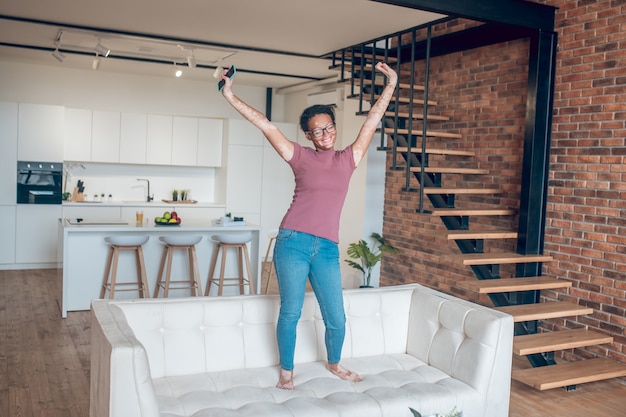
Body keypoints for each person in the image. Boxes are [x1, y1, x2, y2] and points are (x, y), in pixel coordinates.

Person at [220, 62, 398, 390]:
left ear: (334, 127)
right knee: (291, 311)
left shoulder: (349, 158)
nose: (324, 134)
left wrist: (392, 82)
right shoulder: (300, 155)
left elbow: (373, 119)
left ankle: (334, 364)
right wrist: (229, 94)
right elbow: (265, 124)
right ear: (308, 135)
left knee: (336, 316)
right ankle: (286, 374)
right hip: (293, 241)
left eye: (328, 127)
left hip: (327, 247)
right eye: (317, 131)